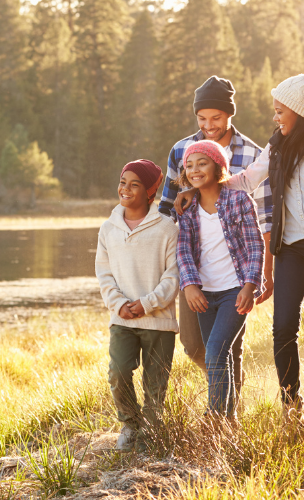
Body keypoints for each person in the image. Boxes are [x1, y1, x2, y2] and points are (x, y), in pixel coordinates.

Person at [175, 72, 304, 429]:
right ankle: (291, 402)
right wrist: (201, 187)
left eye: (280, 110)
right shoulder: (277, 145)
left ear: (299, 110)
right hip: (292, 248)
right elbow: (248, 178)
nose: (275, 117)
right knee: (282, 329)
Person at [159, 75, 274, 406]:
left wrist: (264, 275)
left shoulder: (251, 154)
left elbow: (265, 218)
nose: (209, 125)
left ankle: (223, 418)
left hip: (237, 272)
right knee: (197, 346)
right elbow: (168, 209)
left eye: (216, 118)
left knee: (224, 346)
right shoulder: (181, 150)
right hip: (196, 271)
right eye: (202, 118)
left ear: (230, 115)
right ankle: (226, 399)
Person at [176, 140, 265, 420]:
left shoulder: (239, 200)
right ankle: (227, 422)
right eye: (189, 165)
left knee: (216, 352)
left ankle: (213, 419)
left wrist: (250, 286)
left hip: (234, 292)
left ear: (218, 167)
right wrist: (190, 285)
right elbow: (184, 250)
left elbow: (255, 246)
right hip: (205, 294)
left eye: (202, 163)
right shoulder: (187, 208)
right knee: (218, 356)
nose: (194, 170)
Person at [95, 159, 179, 452]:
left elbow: (173, 277)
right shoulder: (108, 229)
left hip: (159, 321)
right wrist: (120, 305)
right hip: (122, 319)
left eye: (134, 184)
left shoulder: (167, 228)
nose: (125, 189)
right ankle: (131, 425)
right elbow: (103, 273)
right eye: (122, 182)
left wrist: (146, 304)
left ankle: (152, 437)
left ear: (150, 192)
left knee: (156, 385)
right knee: (118, 372)